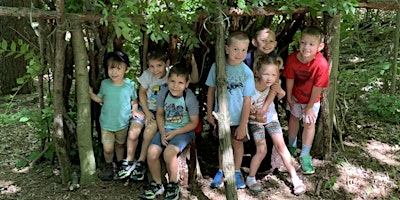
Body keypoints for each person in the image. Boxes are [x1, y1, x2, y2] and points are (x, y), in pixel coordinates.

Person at [117, 49, 199, 180]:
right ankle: (129, 161)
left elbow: (193, 79)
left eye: (159, 65)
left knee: (149, 132)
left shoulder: (173, 74)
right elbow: (142, 93)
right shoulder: (147, 75)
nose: (155, 70)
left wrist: (194, 64)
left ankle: (141, 162)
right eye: (151, 66)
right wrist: (146, 111)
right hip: (147, 109)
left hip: (161, 112)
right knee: (133, 132)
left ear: (166, 63)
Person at [247, 55, 306, 195]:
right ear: (257, 73)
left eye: (273, 74)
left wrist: (279, 90)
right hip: (255, 121)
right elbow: (245, 108)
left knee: (281, 146)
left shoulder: (274, 84)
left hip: (271, 118)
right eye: (266, 74)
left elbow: (281, 95)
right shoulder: (249, 86)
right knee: (262, 150)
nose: (269, 78)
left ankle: (295, 178)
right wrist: (254, 114)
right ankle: (251, 177)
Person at [140, 65, 199, 200]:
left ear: (187, 84)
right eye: (172, 81)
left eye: (180, 83)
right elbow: (160, 114)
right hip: (166, 129)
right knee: (152, 152)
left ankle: (173, 184)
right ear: (167, 80)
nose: (175, 86)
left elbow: (194, 123)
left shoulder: (189, 97)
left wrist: (175, 132)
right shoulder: (163, 93)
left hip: (183, 131)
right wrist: (162, 132)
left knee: (168, 153)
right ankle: (157, 184)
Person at [206, 31, 255, 189]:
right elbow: (211, 91)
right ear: (227, 49)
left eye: (243, 50)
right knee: (223, 144)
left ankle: (236, 171)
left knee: (237, 144)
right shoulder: (218, 67)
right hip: (222, 116)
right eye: (235, 49)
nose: (239, 53)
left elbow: (247, 101)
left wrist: (243, 124)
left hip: (238, 117)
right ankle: (221, 171)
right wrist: (209, 113)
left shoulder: (247, 73)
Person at [89, 51, 143, 181]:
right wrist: (90, 94)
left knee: (120, 145)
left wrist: (135, 110)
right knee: (108, 148)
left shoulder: (130, 84)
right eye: (111, 68)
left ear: (126, 69)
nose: (114, 72)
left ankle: (120, 166)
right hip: (106, 123)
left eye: (119, 68)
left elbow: (134, 100)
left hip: (122, 123)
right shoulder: (105, 84)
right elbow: (100, 99)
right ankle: (109, 165)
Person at [283, 26, 330, 174]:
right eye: (303, 43)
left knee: (309, 123)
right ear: (299, 42)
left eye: (311, 44)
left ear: (320, 46)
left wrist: (309, 106)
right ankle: (291, 147)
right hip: (296, 96)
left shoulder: (321, 64)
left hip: (312, 100)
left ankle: (305, 154)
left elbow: (318, 87)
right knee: (294, 118)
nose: (306, 47)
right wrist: (289, 97)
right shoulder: (292, 59)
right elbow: (289, 78)